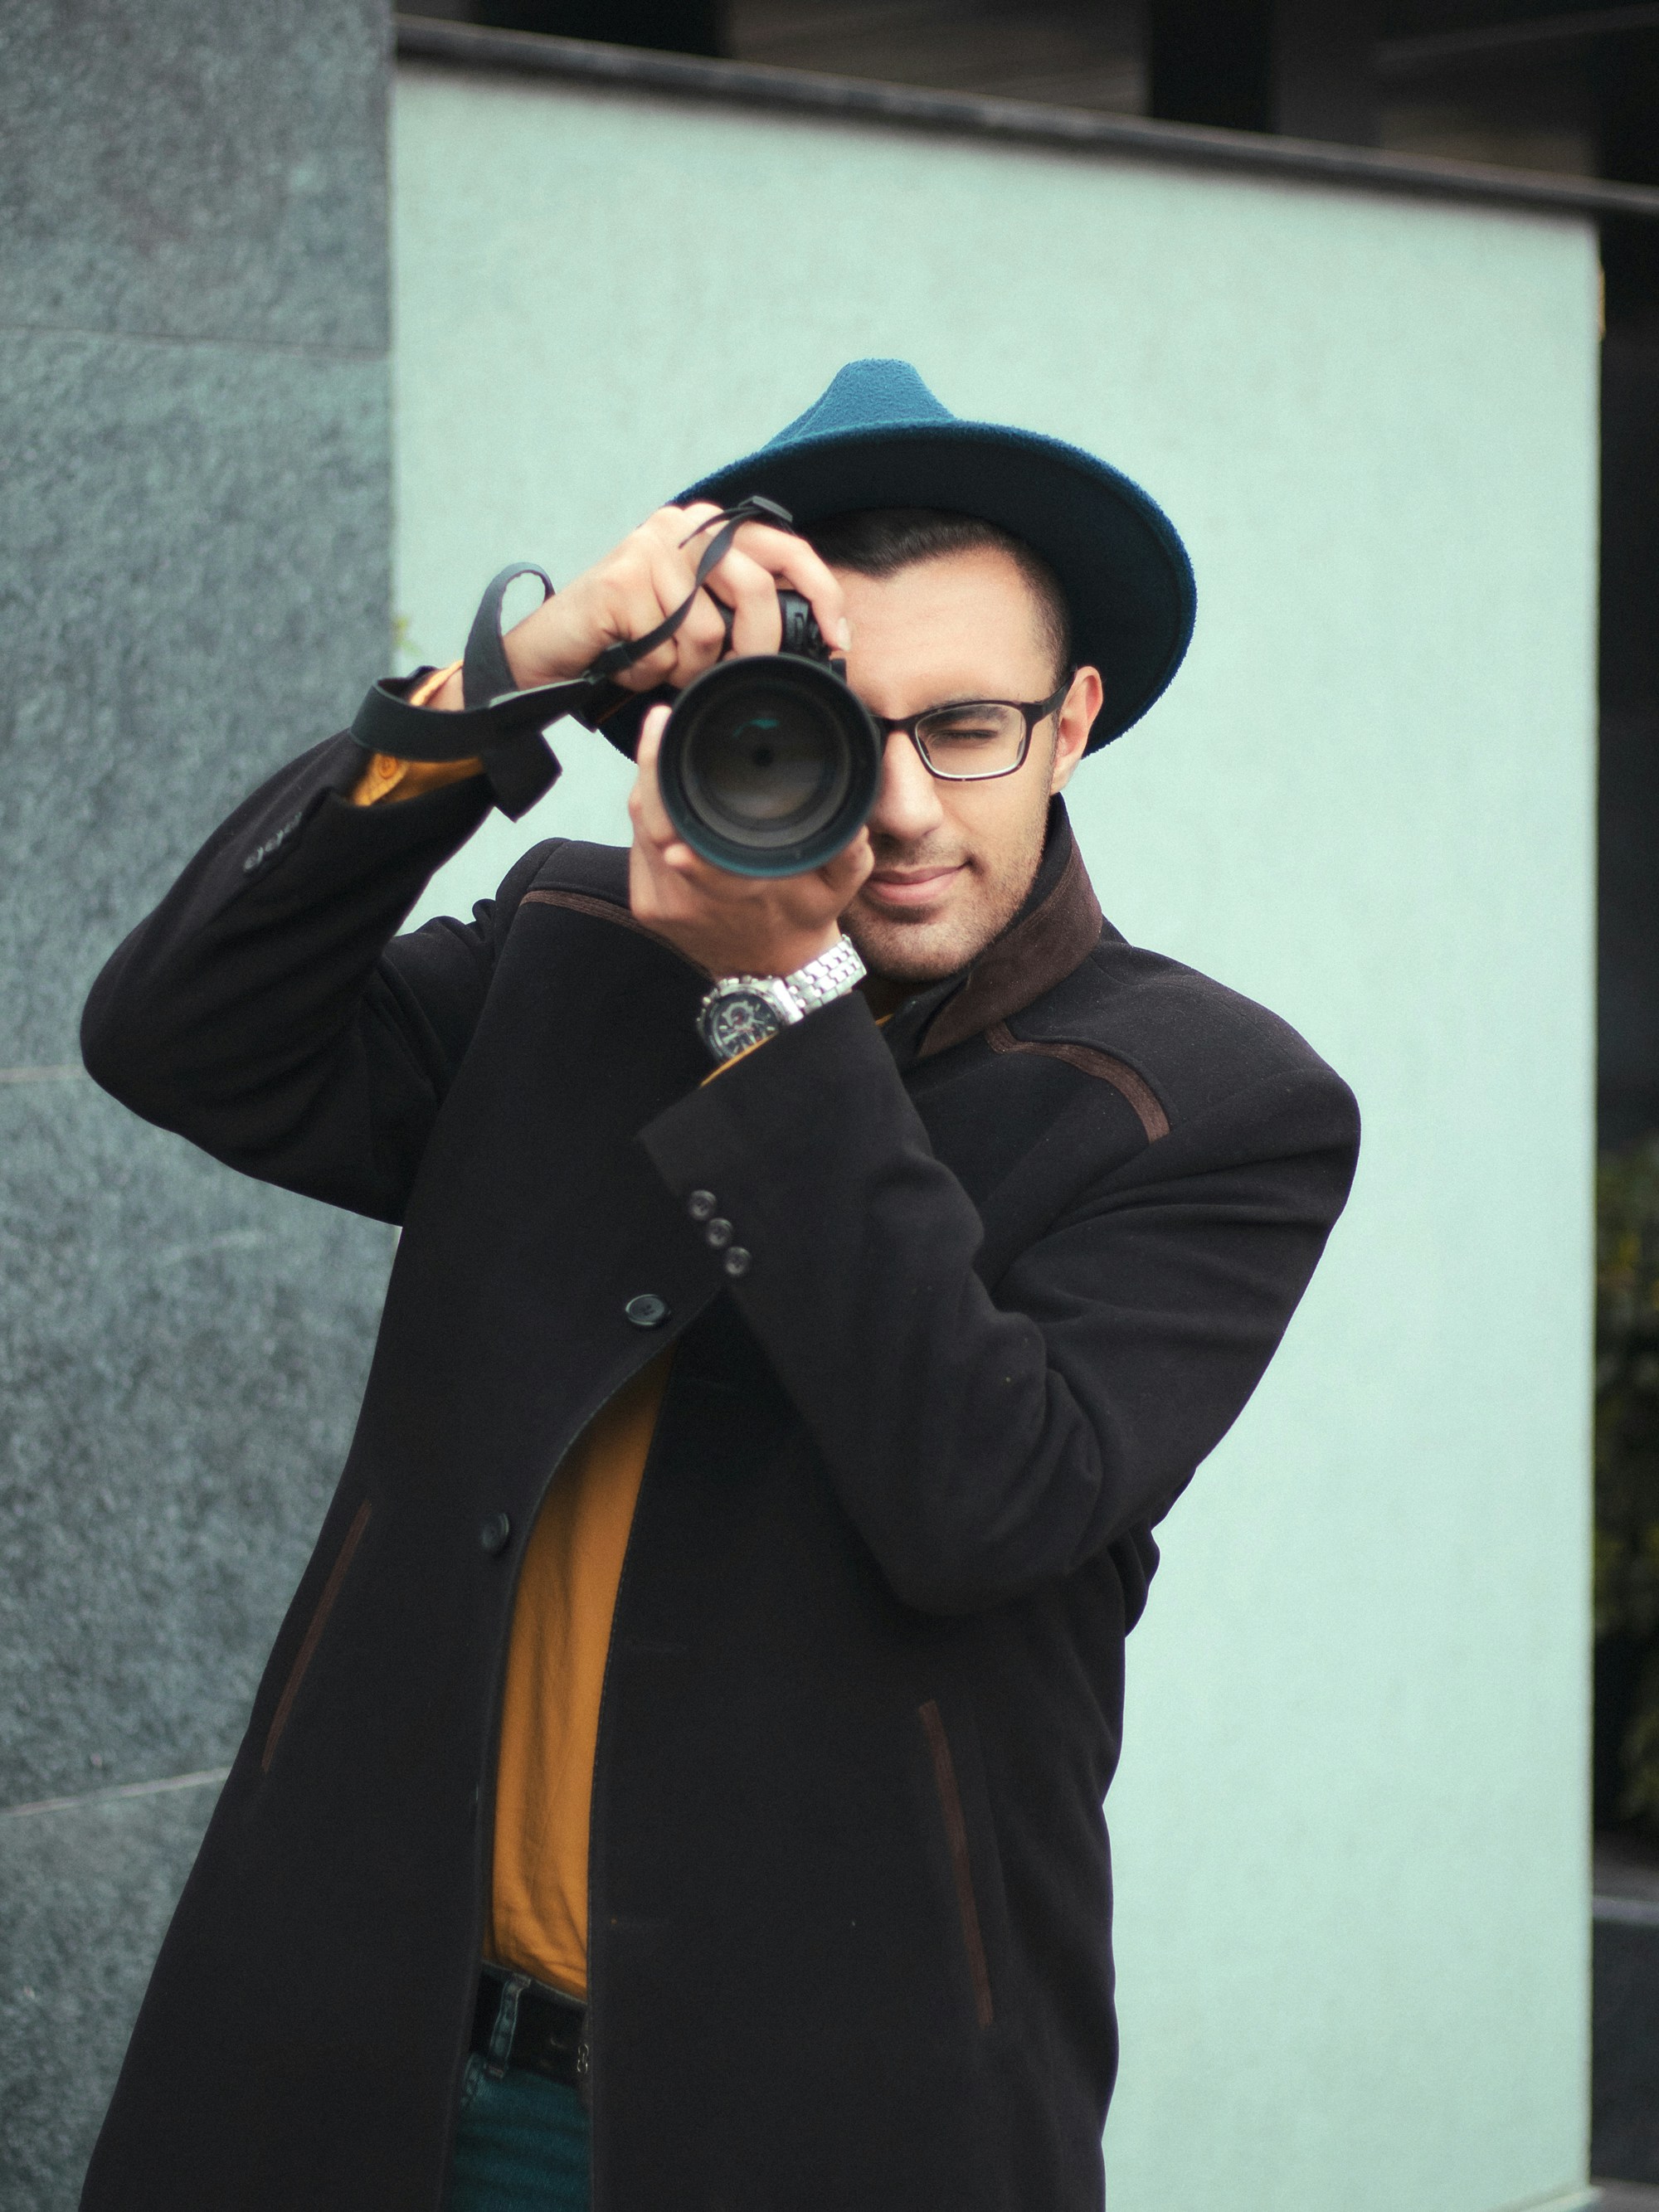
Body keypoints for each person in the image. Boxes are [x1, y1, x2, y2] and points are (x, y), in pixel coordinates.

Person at [77, 359, 1359, 2212]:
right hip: (357, 2041)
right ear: (710, 713)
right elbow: (178, 1037)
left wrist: (782, 1006)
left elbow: (985, 1502)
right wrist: (510, 684)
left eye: (970, 724)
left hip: (822, 2107)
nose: (903, 806)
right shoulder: (575, 953)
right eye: (838, 721)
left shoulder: (1208, 1100)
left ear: (1074, 722)